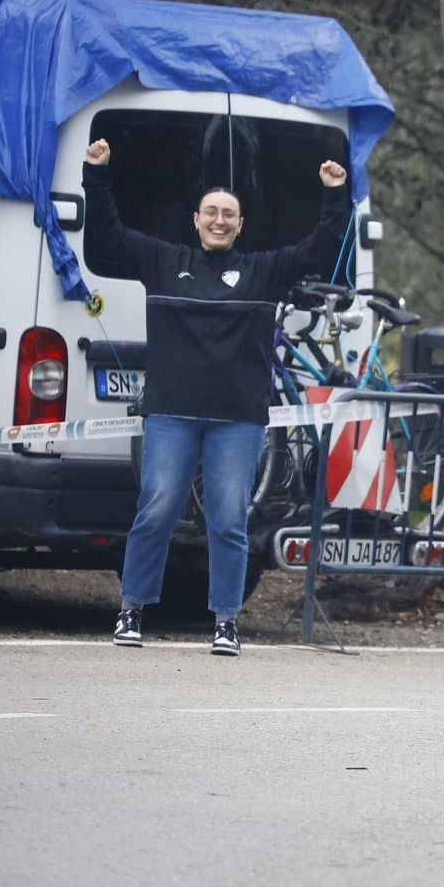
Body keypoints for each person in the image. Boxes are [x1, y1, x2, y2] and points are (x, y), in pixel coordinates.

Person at [82, 138, 350, 656]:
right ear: (196, 220)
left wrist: (334, 193)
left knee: (228, 520)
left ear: (240, 225)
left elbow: (319, 248)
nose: (219, 220)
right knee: (157, 510)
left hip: (237, 421)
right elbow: (108, 235)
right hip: (171, 414)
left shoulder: (264, 272)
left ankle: (226, 621)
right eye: (211, 212)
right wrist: (96, 173)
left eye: (229, 214)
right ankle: (132, 609)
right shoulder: (162, 261)